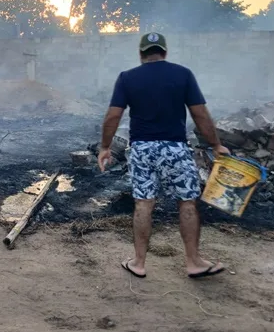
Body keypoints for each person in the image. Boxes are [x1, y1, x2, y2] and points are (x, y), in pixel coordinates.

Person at [98, 32, 229, 279]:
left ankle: (138, 263)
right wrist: (215, 145)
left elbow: (113, 116)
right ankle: (193, 262)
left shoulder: (127, 78)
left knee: (143, 203)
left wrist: (105, 146)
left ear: (141, 53)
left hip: (142, 149)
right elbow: (200, 114)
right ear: (165, 52)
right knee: (187, 202)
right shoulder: (183, 74)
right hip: (175, 148)